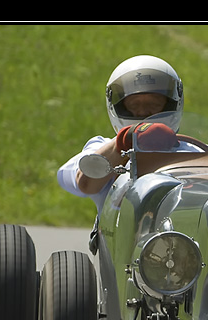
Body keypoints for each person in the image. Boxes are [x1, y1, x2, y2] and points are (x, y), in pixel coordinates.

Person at [57, 55, 190, 214]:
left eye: (154, 104)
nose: (143, 112)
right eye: (134, 104)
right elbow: (84, 183)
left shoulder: (195, 152)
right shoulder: (101, 147)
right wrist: (124, 141)